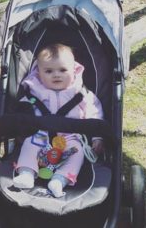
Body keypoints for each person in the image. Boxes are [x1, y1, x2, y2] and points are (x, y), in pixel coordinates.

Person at [13, 43, 104, 197]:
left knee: (78, 152)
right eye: (48, 71)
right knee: (29, 144)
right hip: (40, 134)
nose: (56, 75)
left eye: (63, 70)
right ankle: (27, 173)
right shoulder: (35, 92)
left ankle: (60, 180)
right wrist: (20, 126)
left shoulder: (80, 93)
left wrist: (97, 136)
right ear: (39, 73)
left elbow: (94, 112)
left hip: (70, 137)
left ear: (74, 70)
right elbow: (22, 111)